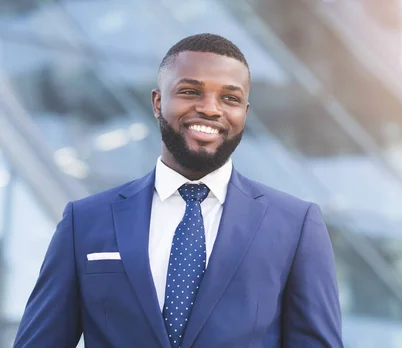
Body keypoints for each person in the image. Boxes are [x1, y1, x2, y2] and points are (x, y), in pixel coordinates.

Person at [14, 33, 343, 348]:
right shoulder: (85, 221)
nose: (210, 108)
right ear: (158, 102)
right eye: (190, 92)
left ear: (244, 113)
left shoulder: (295, 226)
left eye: (230, 98)